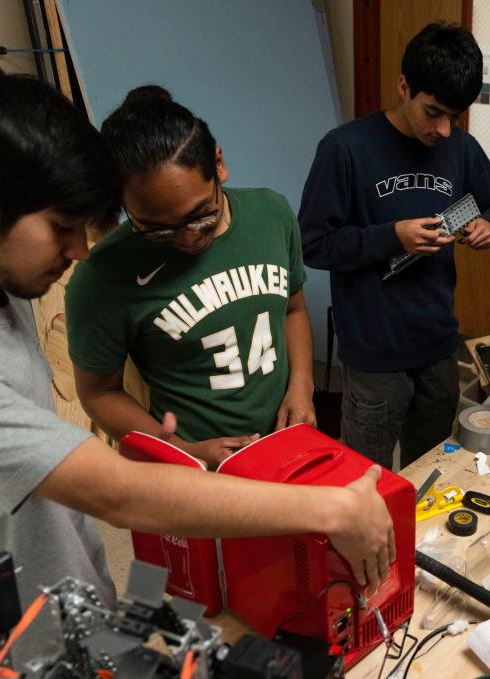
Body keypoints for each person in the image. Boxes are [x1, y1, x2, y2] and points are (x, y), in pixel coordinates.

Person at [0, 67, 395, 613]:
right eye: (61, 227)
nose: (78, 252)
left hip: (68, 608)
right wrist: (332, 510)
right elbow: (115, 492)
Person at [299, 22, 490, 470]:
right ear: (403, 86)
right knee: (365, 481)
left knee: (429, 473)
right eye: (433, 112)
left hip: (438, 347)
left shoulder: (462, 149)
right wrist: (391, 236)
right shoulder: (345, 149)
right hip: (375, 355)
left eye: (455, 116)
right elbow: (314, 245)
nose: (444, 130)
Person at [65, 86, 314, 469]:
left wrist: (302, 385)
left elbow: (293, 308)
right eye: (156, 229)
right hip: (194, 465)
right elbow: (99, 394)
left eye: (201, 215)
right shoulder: (103, 276)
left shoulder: (272, 214)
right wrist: (183, 451)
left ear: (218, 164)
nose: (187, 238)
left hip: (286, 441)